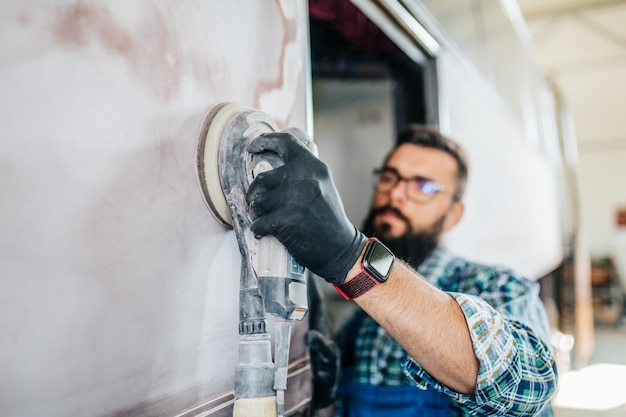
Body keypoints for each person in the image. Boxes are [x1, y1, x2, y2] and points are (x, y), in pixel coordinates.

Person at [246, 125, 558, 416]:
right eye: (390, 177)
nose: (396, 194)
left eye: (424, 186)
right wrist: (327, 400)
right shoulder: (360, 324)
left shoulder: (498, 286)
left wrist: (352, 258)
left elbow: (527, 385)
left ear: (453, 215)